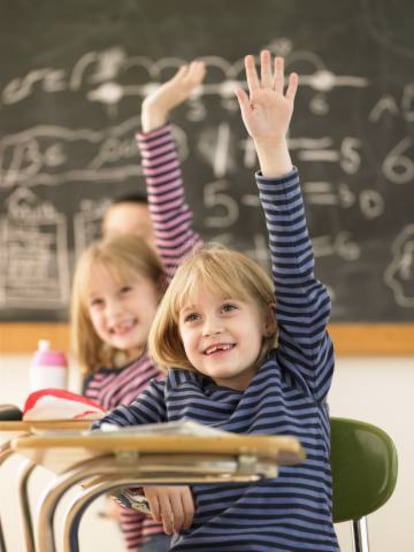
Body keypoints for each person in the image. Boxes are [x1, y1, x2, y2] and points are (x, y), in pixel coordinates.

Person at [92, 50, 340, 551]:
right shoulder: (174, 391)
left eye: (228, 308)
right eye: (192, 317)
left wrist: (272, 148)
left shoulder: (298, 371)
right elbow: (101, 434)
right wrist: (148, 470)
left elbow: (293, 264)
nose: (210, 327)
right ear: (176, 335)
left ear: (270, 320)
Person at [71, 61, 206, 552]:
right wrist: (128, 487)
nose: (113, 308)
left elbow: (171, 223)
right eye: (99, 300)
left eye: (141, 241)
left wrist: (153, 118)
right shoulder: (99, 380)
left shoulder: (184, 346)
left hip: (199, 532)